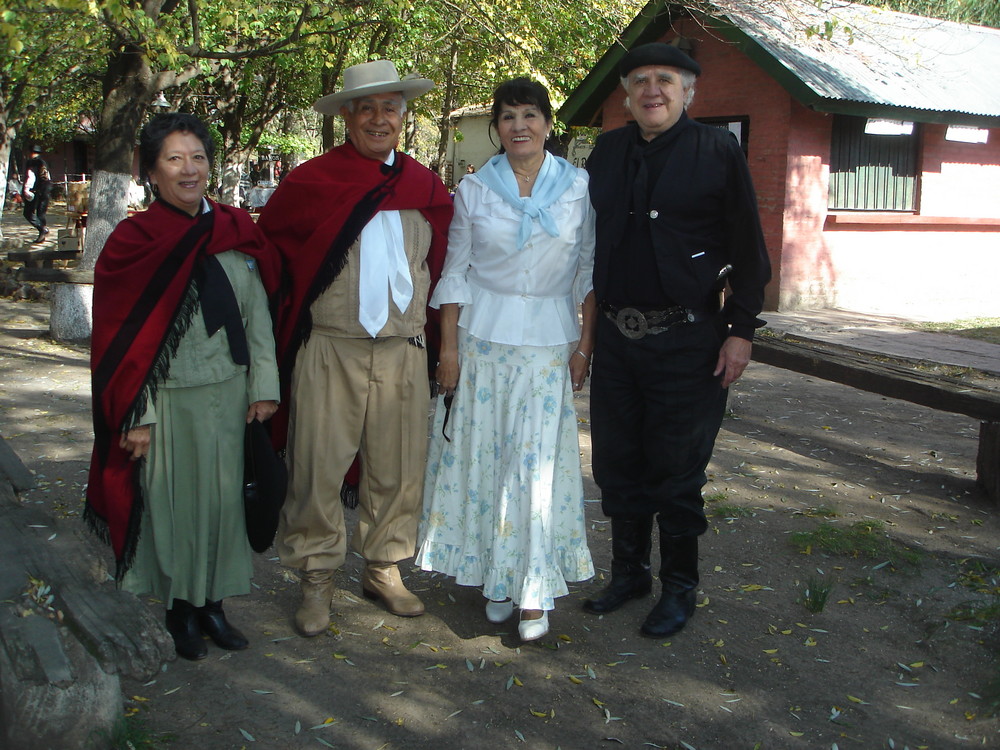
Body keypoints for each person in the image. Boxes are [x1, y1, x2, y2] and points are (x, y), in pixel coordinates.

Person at [257, 60, 453, 636]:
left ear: (403, 115)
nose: (378, 118)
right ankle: (315, 577)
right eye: (365, 108)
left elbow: (444, 267)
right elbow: (271, 262)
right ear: (347, 115)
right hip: (331, 347)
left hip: (403, 350)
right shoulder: (311, 183)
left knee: (397, 466)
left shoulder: (426, 187)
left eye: (389, 107)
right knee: (317, 465)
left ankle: (383, 566)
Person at [582, 43, 771, 638]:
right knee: (617, 465)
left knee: (678, 472)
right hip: (616, 340)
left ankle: (679, 588)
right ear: (626, 93)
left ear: (689, 91)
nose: (652, 90)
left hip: (688, 340)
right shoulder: (606, 152)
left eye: (666, 79)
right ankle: (629, 573)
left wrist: (741, 331)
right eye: (639, 80)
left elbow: (749, 251)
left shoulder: (717, 150)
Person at [85, 113, 282, 661]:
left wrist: (263, 385)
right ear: (151, 171)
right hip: (167, 401)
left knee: (223, 505)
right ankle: (180, 611)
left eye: (197, 157)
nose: (188, 169)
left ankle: (214, 605)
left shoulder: (235, 230)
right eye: (174, 159)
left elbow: (257, 314)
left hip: (230, 395)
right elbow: (120, 343)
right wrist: (137, 414)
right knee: (174, 507)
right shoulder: (134, 242)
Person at [416, 78, 595, 642]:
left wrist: (584, 346)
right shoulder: (474, 190)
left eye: (530, 115)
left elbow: (588, 272)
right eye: (509, 116)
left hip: (547, 344)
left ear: (548, 123)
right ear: (497, 127)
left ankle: (534, 588)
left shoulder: (578, 187)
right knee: (487, 460)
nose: (520, 126)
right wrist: (447, 350)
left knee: (535, 467)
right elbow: (455, 273)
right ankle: (495, 579)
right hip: (484, 343)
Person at [22, 144, 51, 243]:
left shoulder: (32, 163)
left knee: (28, 213)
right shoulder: (43, 162)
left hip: (37, 190)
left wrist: (26, 189)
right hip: (46, 189)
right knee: (41, 213)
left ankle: (42, 229)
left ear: (31, 152)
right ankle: (42, 234)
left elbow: (30, 177)